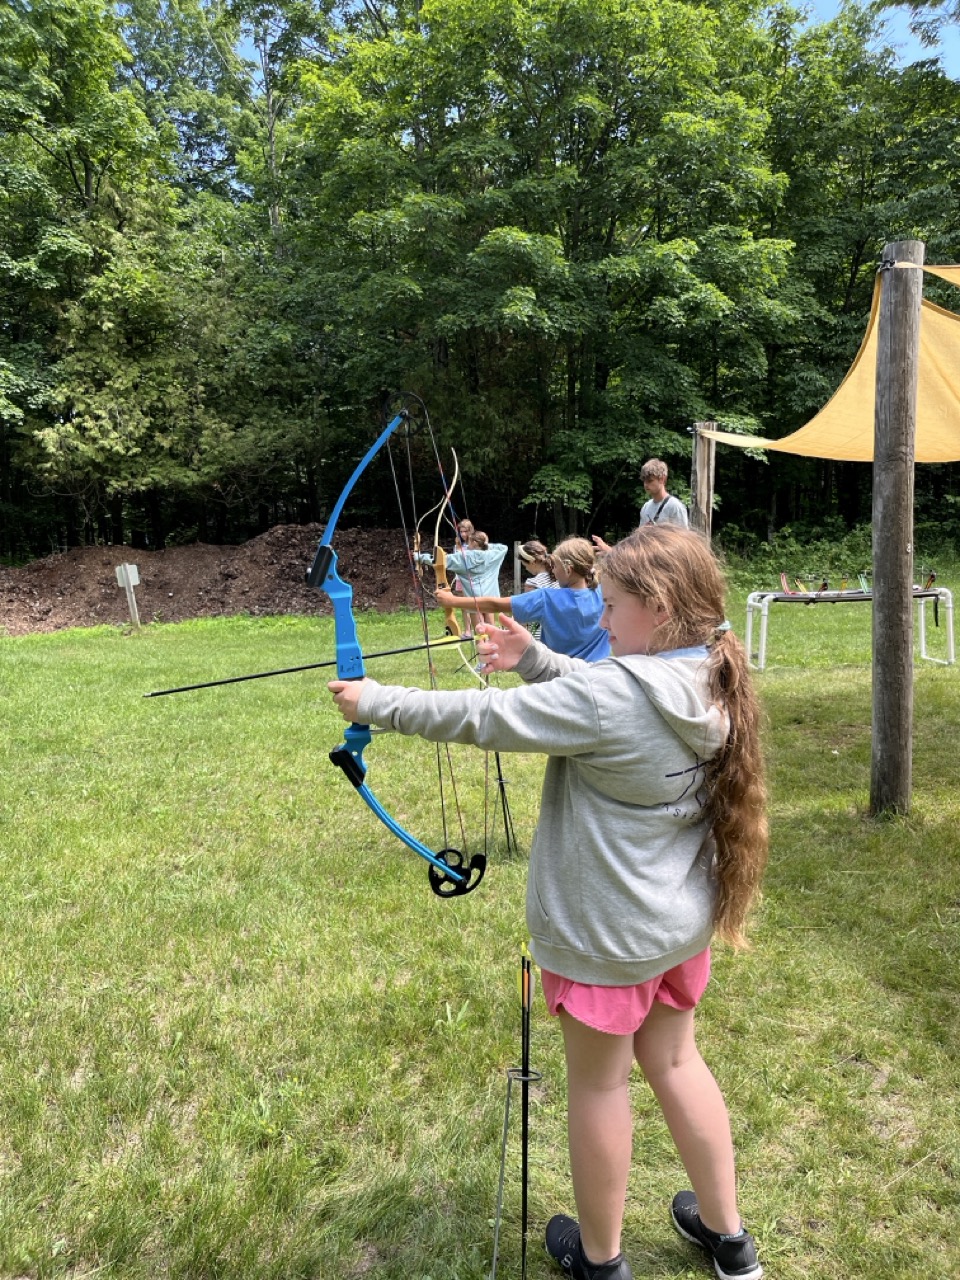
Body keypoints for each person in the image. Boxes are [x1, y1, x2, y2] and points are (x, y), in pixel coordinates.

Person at [329, 525, 767, 1280]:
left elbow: (489, 719)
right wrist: (533, 658)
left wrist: (375, 700)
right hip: (676, 928)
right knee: (676, 1061)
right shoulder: (709, 670)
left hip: (605, 940)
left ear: (660, 607)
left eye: (611, 605)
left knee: (600, 1086)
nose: (600, 618)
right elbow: (606, 693)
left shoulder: (610, 696)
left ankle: (601, 1262)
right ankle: (731, 1242)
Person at [436, 536, 609, 662]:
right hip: (598, 677)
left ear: (569, 570)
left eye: (555, 566)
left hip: (559, 679)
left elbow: (496, 604)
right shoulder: (606, 594)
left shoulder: (546, 598)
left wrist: (452, 601)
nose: (553, 570)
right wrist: (610, 551)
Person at [419, 527, 508, 638]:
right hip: (490, 599)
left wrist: (420, 557)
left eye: (469, 541)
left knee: (480, 634)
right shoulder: (493, 555)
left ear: (474, 543)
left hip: (473, 600)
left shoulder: (463, 557)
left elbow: (438, 560)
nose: (467, 544)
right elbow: (503, 547)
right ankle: (496, 647)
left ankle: (482, 648)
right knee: (492, 631)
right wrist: (485, 544)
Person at [592, 459, 688, 555]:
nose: (646, 484)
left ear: (662, 479)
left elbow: (684, 542)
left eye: (650, 481)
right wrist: (612, 551)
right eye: (644, 481)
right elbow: (640, 543)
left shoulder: (675, 506)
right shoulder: (646, 507)